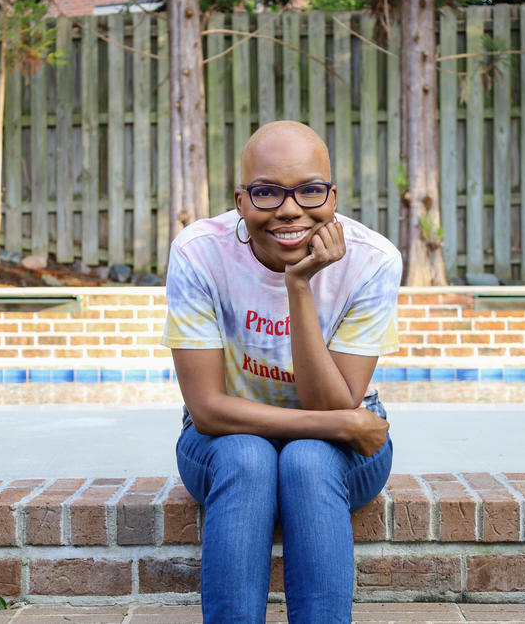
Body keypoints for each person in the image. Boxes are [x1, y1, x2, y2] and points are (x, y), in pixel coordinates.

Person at [162, 120, 402, 623]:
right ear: (241, 200)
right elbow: (206, 410)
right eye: (267, 192)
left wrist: (300, 287)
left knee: (307, 461)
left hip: (344, 451)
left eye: (309, 190)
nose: (290, 208)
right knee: (249, 458)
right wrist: (339, 424)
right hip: (223, 445)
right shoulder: (199, 252)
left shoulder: (373, 261)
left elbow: (334, 405)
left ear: (332, 198)